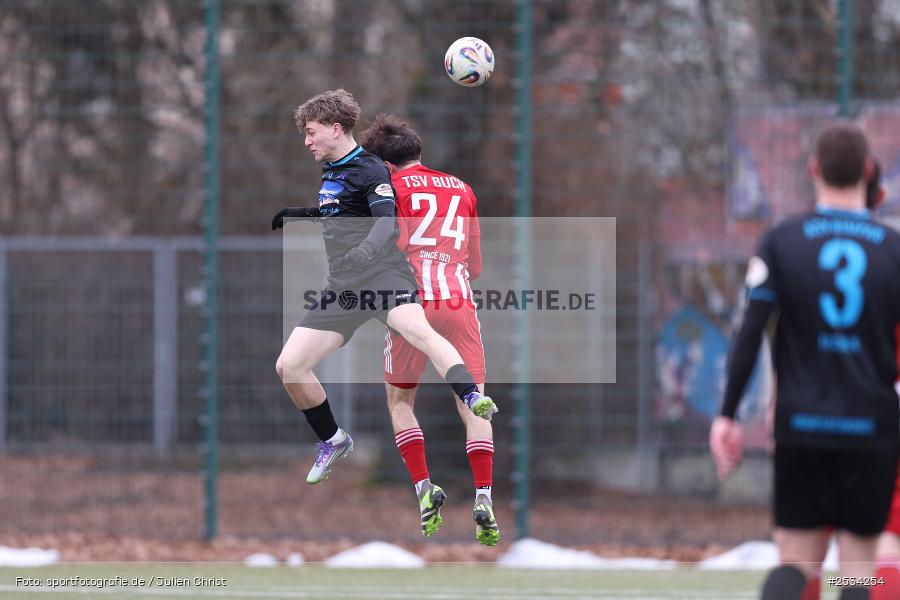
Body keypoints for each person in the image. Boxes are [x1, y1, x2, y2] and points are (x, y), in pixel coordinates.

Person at [710, 123, 900, 600]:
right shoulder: (893, 249)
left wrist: (728, 415)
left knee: (795, 564)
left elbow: (750, 330)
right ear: (869, 172)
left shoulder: (782, 240)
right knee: (858, 572)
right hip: (871, 431)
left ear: (814, 169)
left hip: (801, 427)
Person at [271, 89, 498, 488]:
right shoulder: (333, 169)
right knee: (289, 366)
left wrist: (365, 252)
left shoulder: (374, 168)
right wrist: (302, 214)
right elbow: (344, 211)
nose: (306, 141)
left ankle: (470, 395)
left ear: (335, 129)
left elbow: (385, 221)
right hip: (345, 288)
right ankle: (333, 439)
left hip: (382, 278)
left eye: (310, 132)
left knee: (421, 332)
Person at [358, 114, 499, 545]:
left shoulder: (391, 190)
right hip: (459, 302)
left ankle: (424, 486)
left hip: (412, 305)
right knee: (472, 401)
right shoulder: (462, 189)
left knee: (400, 401)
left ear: (385, 165)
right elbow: (476, 265)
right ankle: (484, 495)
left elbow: (394, 244)